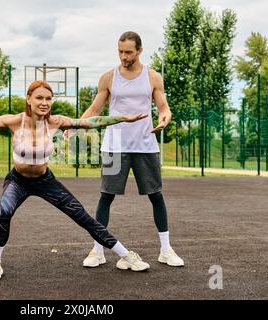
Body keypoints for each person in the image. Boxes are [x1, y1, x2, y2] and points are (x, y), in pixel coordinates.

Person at [0, 80, 152, 280]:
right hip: (18, 181)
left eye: (48, 98)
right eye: (39, 98)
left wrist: (123, 118)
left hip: (45, 181)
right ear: (28, 99)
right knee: (4, 211)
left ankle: (126, 254)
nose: (45, 103)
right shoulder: (15, 121)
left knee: (82, 216)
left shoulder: (56, 122)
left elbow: (92, 122)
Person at [80, 31, 184, 268]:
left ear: (139, 51)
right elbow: (95, 109)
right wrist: (74, 125)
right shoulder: (108, 78)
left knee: (156, 195)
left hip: (145, 145)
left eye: (128, 52)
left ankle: (166, 250)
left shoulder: (153, 77)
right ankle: (97, 251)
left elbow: (164, 107)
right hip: (115, 146)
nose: (123, 56)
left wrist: (165, 119)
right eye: (120, 51)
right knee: (106, 196)